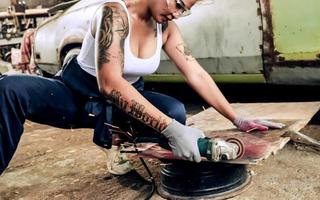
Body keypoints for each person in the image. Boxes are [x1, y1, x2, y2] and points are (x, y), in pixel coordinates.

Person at [0, 0, 284, 175]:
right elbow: (110, 83)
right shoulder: (114, 12)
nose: (177, 13)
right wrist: (171, 130)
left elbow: (195, 72)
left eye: (185, 9)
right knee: (8, 89)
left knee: (174, 110)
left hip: (121, 103)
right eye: (176, 3)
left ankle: (116, 144)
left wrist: (236, 118)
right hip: (77, 94)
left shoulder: (167, 28)